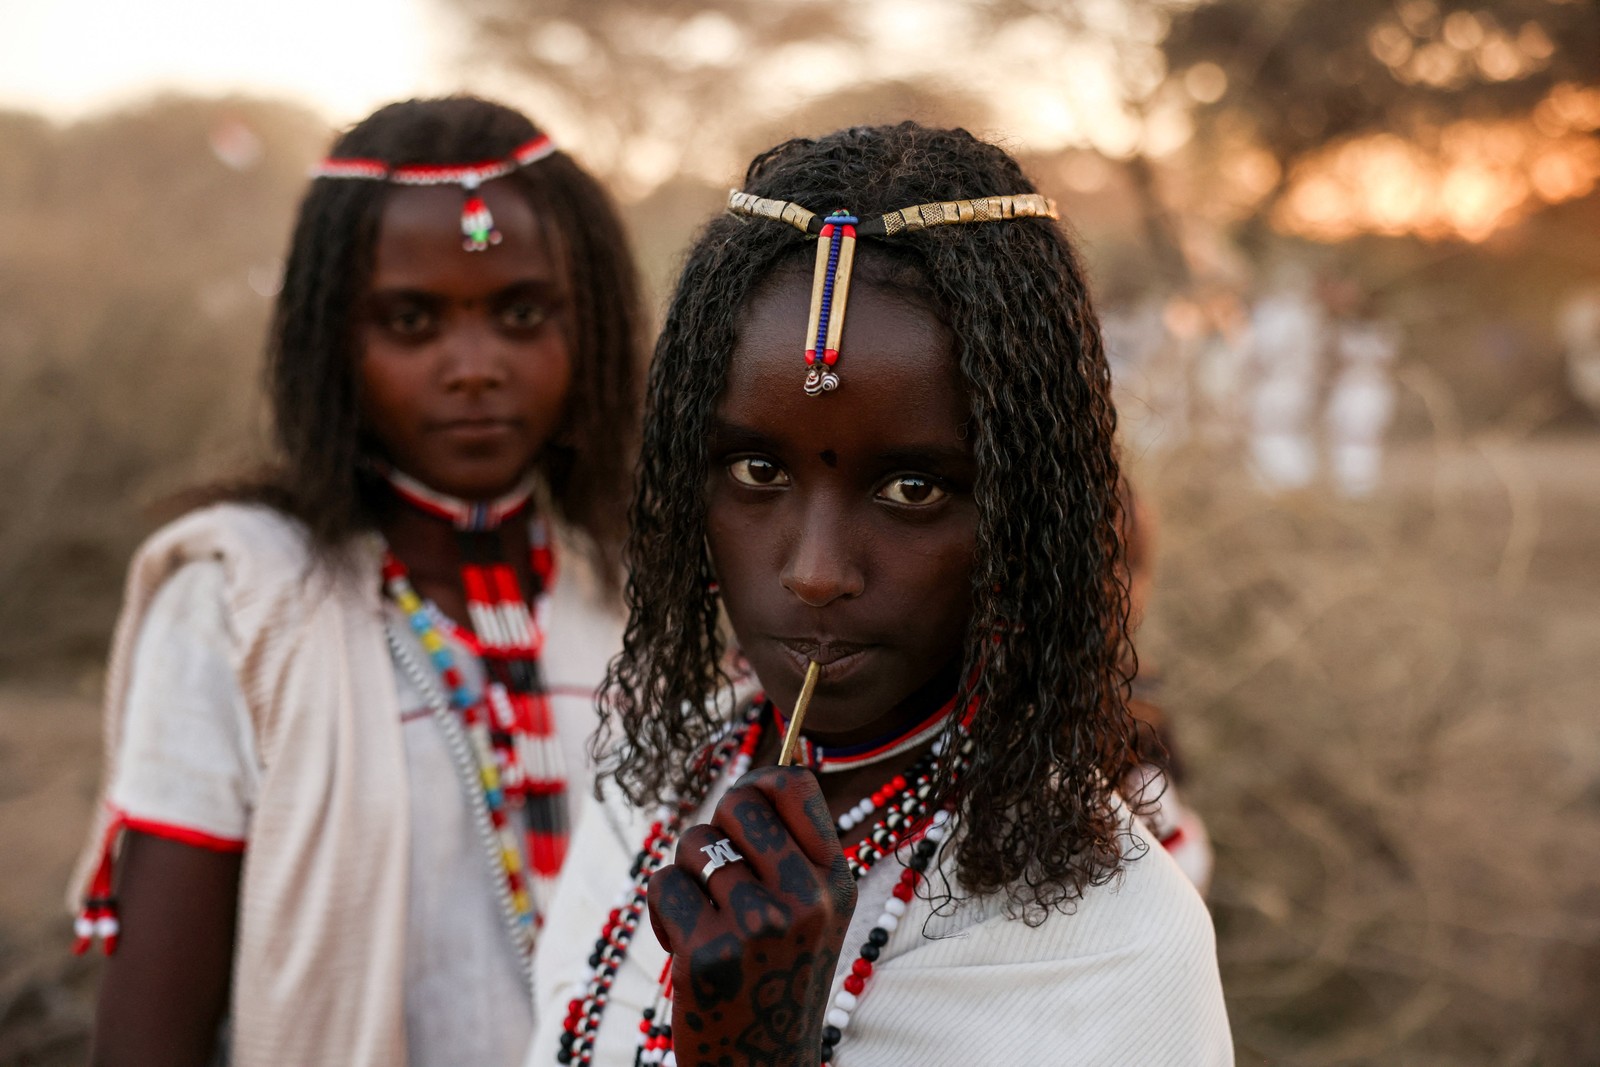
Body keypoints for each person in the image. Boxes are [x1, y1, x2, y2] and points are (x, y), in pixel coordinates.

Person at [528, 122, 1231, 1067]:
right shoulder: (647, 795)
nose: (816, 571)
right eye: (757, 468)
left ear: (1023, 521)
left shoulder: (1111, 934)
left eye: (913, 488)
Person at [69, 96, 644, 1067]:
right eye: (410, 320)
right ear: (332, 340)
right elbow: (149, 1031)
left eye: (521, 312)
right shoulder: (238, 600)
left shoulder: (646, 600)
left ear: (589, 325)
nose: (473, 368)